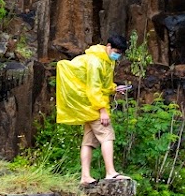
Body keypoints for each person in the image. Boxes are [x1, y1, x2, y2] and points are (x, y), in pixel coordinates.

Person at [55, 35, 131, 185]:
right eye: (116, 52)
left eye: (120, 53)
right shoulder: (96, 62)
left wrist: (114, 88)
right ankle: (111, 173)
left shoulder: (106, 60)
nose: (117, 56)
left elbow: (103, 84)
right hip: (91, 104)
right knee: (107, 135)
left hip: (89, 104)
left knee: (88, 141)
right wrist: (102, 110)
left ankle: (85, 177)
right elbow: (93, 88)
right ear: (108, 46)